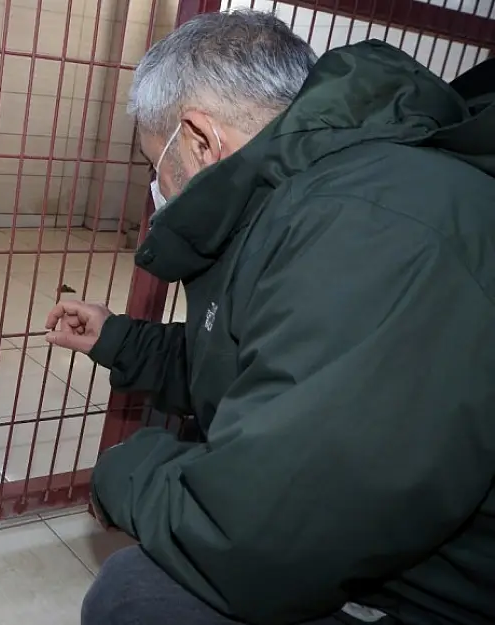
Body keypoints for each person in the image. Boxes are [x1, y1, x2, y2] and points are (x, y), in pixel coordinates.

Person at [44, 9, 495, 625]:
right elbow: (259, 363)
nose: (159, 186)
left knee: (140, 597)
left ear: (198, 139)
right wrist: (118, 339)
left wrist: (125, 472)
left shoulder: (368, 224)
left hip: (444, 599)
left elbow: (255, 533)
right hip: (400, 560)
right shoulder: (303, 200)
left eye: (157, 163)